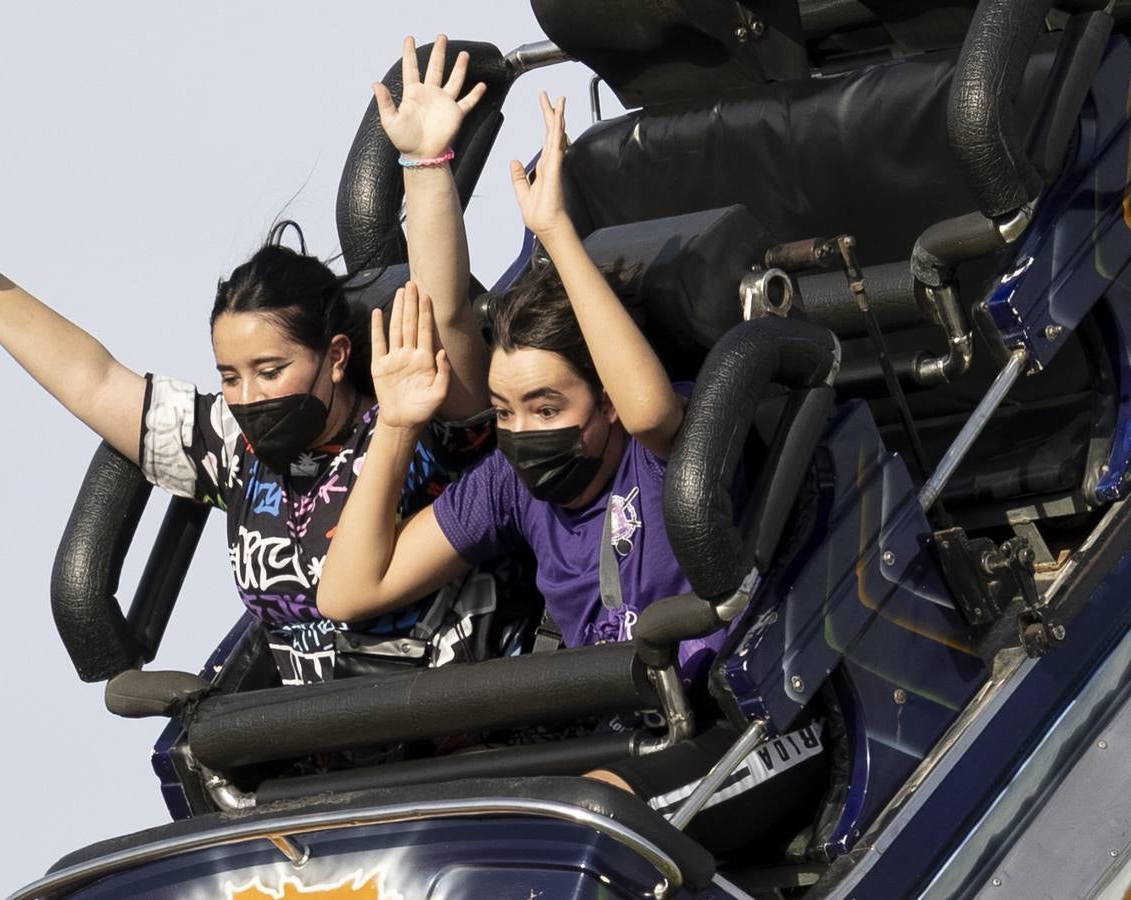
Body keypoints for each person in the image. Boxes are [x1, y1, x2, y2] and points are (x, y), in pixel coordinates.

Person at [318, 94, 827, 853]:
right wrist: (395, 426)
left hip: (754, 724)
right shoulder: (507, 483)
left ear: (605, 403)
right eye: (504, 410)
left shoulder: (665, 448)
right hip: (625, 739)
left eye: (546, 407)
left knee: (579, 829)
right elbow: (348, 591)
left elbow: (650, 410)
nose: (521, 433)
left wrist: (553, 232)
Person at [0, 36, 495, 686]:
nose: (247, 396)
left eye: (270, 371)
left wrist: (427, 165)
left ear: (334, 357)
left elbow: (444, 317)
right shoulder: (235, 450)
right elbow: (93, 380)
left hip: (451, 735)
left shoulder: (418, 419)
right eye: (230, 377)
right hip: (328, 760)